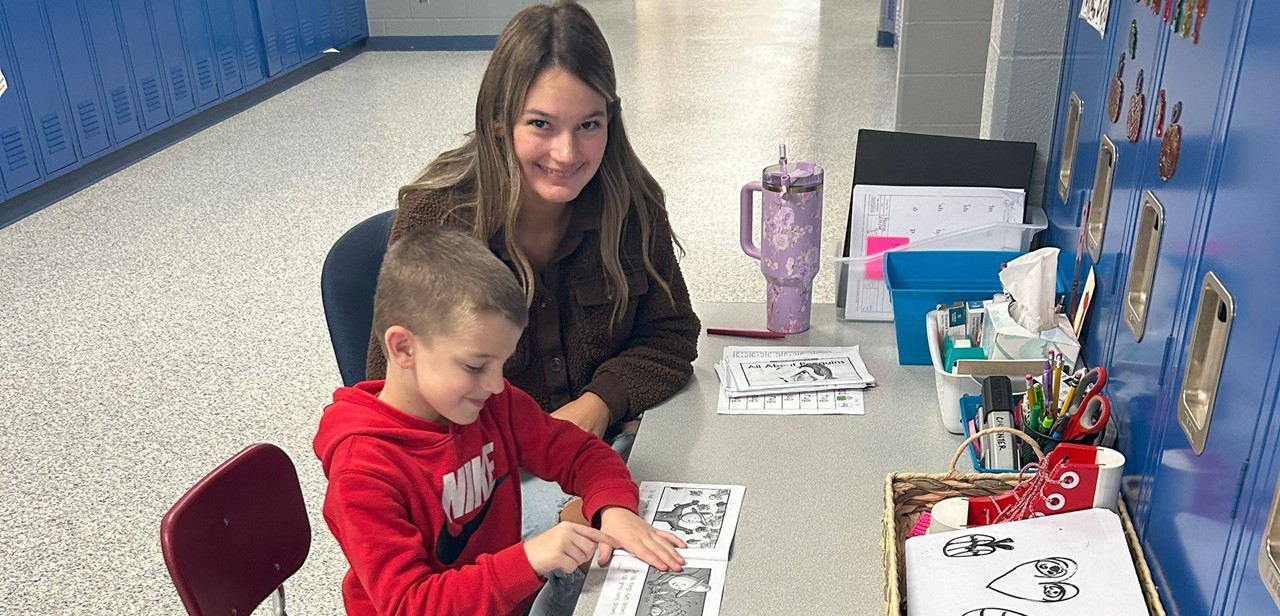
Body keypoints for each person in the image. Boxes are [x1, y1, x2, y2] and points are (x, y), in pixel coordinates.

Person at [363, 0, 701, 541]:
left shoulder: (632, 204)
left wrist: (598, 404)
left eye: (589, 125)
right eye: (541, 124)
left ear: (610, 119)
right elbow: (394, 396)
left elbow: (671, 333)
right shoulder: (440, 217)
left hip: (602, 455)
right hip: (481, 493)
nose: (567, 153)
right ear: (500, 121)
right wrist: (535, 484)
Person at [315, 227, 687, 616]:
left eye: (501, 364)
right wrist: (527, 560)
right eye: (476, 366)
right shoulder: (364, 470)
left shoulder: (491, 403)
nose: (495, 384)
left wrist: (614, 508)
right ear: (404, 347)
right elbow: (411, 604)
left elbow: (578, 452)